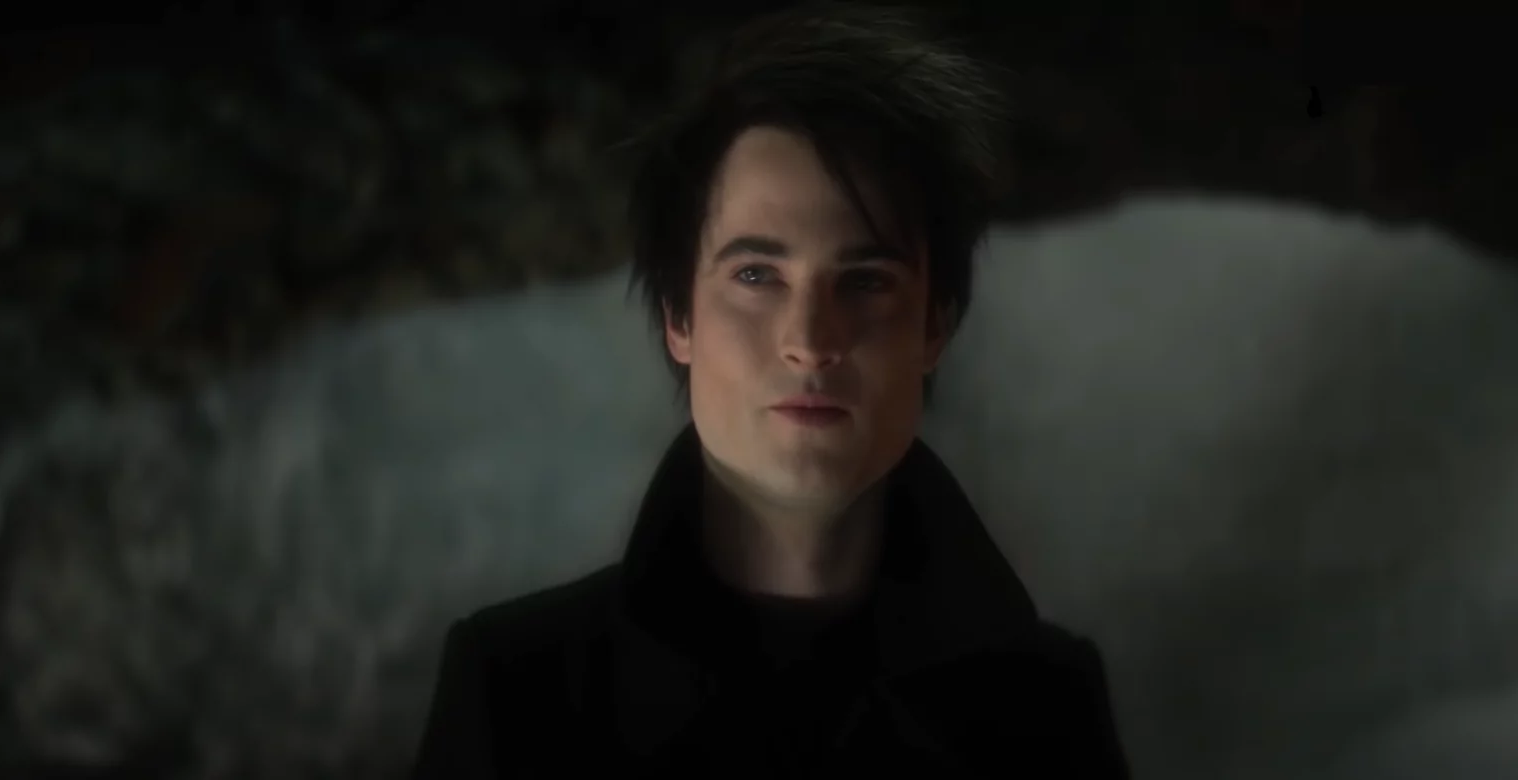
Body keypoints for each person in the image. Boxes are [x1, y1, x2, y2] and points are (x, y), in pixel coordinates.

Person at [410, 4, 1132, 776]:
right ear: (678, 317)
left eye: (866, 281)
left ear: (935, 326)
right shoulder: (516, 694)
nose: (810, 340)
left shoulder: (1047, 705)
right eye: (756, 275)